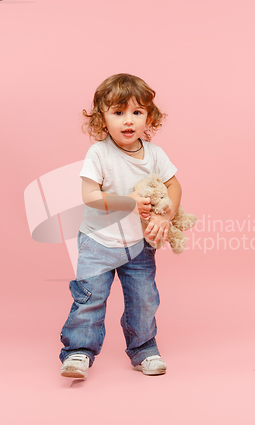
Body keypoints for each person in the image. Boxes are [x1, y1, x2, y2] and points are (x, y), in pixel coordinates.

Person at [59, 73, 182, 379]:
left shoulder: (155, 154)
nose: (128, 121)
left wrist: (165, 217)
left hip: (138, 245)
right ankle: (79, 351)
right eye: (118, 112)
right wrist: (129, 201)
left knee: (144, 298)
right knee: (90, 297)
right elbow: (89, 196)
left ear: (148, 117)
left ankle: (144, 349)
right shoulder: (99, 153)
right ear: (102, 118)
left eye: (137, 112)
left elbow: (175, 187)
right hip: (98, 243)